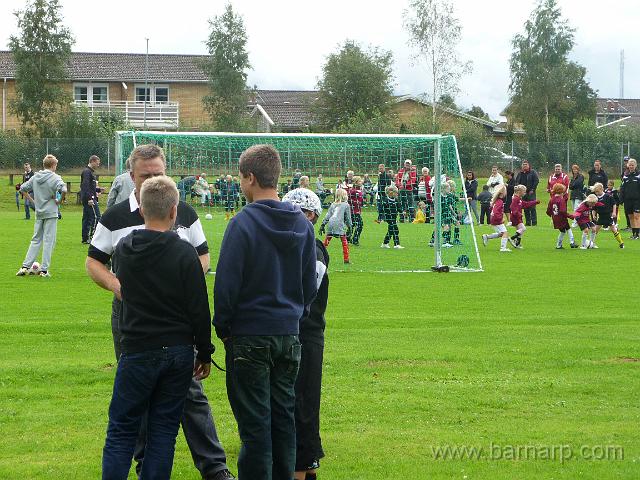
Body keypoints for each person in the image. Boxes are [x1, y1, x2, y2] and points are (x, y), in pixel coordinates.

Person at [85, 144, 233, 480]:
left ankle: (214, 468)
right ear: (131, 176)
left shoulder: (185, 213)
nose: (153, 178)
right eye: (146, 175)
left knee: (190, 397)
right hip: (132, 320)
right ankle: (144, 465)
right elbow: (94, 260)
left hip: (176, 320)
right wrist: (117, 286)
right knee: (140, 408)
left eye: (158, 173)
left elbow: (203, 257)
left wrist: (181, 280)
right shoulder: (115, 218)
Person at [213, 144, 317, 480]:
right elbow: (308, 284)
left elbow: (227, 284)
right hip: (288, 335)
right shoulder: (303, 226)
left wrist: (224, 327)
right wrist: (294, 317)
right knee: (283, 418)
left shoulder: (242, 223)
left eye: (242, 178)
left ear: (250, 178)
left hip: (249, 335)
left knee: (256, 425)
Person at [101, 176, 214, 479]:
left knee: (122, 429)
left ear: (141, 211)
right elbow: (199, 308)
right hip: (177, 351)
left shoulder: (125, 249)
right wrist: (204, 351)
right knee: (164, 431)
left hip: (138, 348)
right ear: (175, 212)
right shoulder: (184, 254)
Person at [280, 188, 329, 480]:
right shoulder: (283, 243)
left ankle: (306, 463)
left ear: (311, 216)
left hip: (306, 334)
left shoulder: (314, 248)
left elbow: (305, 291)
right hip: (283, 332)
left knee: (304, 400)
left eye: (299, 212)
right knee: (286, 400)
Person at [16, 154, 67, 277]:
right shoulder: (55, 177)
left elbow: (22, 189)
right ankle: (44, 270)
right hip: (51, 212)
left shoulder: (36, 177)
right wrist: (59, 201)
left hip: (39, 212)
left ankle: (25, 267)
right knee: (49, 240)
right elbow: (64, 190)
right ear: (53, 165)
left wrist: (33, 201)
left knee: (36, 239)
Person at [320, 188, 352, 264]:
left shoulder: (333, 204)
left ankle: (319, 256)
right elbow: (348, 218)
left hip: (331, 224)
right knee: (344, 242)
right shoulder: (346, 205)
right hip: (339, 225)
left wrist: (323, 224)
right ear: (344, 196)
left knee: (326, 243)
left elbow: (328, 215)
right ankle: (346, 259)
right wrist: (350, 227)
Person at [591, 182, 624, 249]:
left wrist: (614, 212)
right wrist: (594, 215)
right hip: (601, 217)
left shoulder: (608, 196)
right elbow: (594, 208)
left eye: (598, 191)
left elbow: (614, 204)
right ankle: (592, 243)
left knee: (614, 230)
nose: (597, 193)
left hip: (608, 216)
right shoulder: (596, 198)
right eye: (595, 192)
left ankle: (621, 243)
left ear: (602, 189)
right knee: (595, 230)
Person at [508, 184, 540, 249]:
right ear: (519, 191)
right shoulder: (515, 199)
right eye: (524, 191)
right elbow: (512, 208)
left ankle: (517, 244)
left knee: (520, 230)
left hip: (517, 217)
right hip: (515, 217)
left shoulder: (519, 199)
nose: (525, 193)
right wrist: (519, 214)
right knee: (523, 229)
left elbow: (526, 204)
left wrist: (535, 202)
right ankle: (512, 238)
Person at [546, 183, 577, 249]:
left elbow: (548, 210)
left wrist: (552, 216)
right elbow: (562, 211)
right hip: (561, 218)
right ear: (561, 191)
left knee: (563, 231)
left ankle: (559, 245)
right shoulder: (561, 199)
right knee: (568, 228)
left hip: (555, 218)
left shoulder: (552, 199)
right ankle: (572, 242)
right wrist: (570, 216)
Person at [481, 184, 511, 252]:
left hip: (493, 219)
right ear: (502, 194)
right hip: (496, 219)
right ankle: (503, 248)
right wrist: (501, 219)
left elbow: (492, 209)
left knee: (501, 233)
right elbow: (496, 212)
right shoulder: (500, 202)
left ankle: (487, 237)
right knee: (505, 233)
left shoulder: (496, 201)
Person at [81, 155, 101, 243]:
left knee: (87, 217)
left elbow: (90, 187)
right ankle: (92, 237)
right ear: (92, 161)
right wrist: (89, 198)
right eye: (97, 163)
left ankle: (85, 238)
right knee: (96, 216)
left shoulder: (90, 172)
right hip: (90, 199)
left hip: (89, 197)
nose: (98, 165)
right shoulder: (87, 172)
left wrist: (98, 190)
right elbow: (85, 186)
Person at [620, 158, 640, 240]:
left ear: (635, 165)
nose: (631, 166)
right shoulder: (625, 176)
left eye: (633, 165)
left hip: (637, 200)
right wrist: (621, 199)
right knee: (631, 217)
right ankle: (633, 233)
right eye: (630, 165)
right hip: (627, 200)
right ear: (628, 165)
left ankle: (637, 234)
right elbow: (622, 188)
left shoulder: (638, 175)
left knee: (636, 216)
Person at [515, 160, 539, 226]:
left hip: (531, 192)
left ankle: (534, 222)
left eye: (526, 164)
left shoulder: (533, 172)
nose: (524, 166)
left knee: (532, 207)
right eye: (523, 164)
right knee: (525, 208)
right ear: (521, 166)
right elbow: (516, 182)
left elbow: (536, 181)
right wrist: (518, 190)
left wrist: (533, 189)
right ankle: (528, 222)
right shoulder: (520, 173)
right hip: (523, 193)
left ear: (528, 165)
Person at [380, 184, 403, 249]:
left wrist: (402, 212)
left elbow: (399, 208)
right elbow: (382, 210)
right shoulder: (386, 201)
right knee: (395, 230)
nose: (397, 194)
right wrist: (380, 218)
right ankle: (397, 244)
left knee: (390, 230)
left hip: (394, 217)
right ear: (391, 193)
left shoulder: (396, 200)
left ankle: (385, 243)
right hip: (388, 218)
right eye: (396, 193)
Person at [348, 176, 365, 246]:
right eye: (360, 181)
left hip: (358, 211)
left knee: (353, 225)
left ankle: (347, 237)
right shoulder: (352, 191)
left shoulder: (359, 190)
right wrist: (356, 202)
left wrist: (362, 201)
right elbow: (348, 199)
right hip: (353, 212)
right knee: (360, 225)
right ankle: (355, 239)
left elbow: (360, 200)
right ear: (356, 182)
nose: (361, 182)